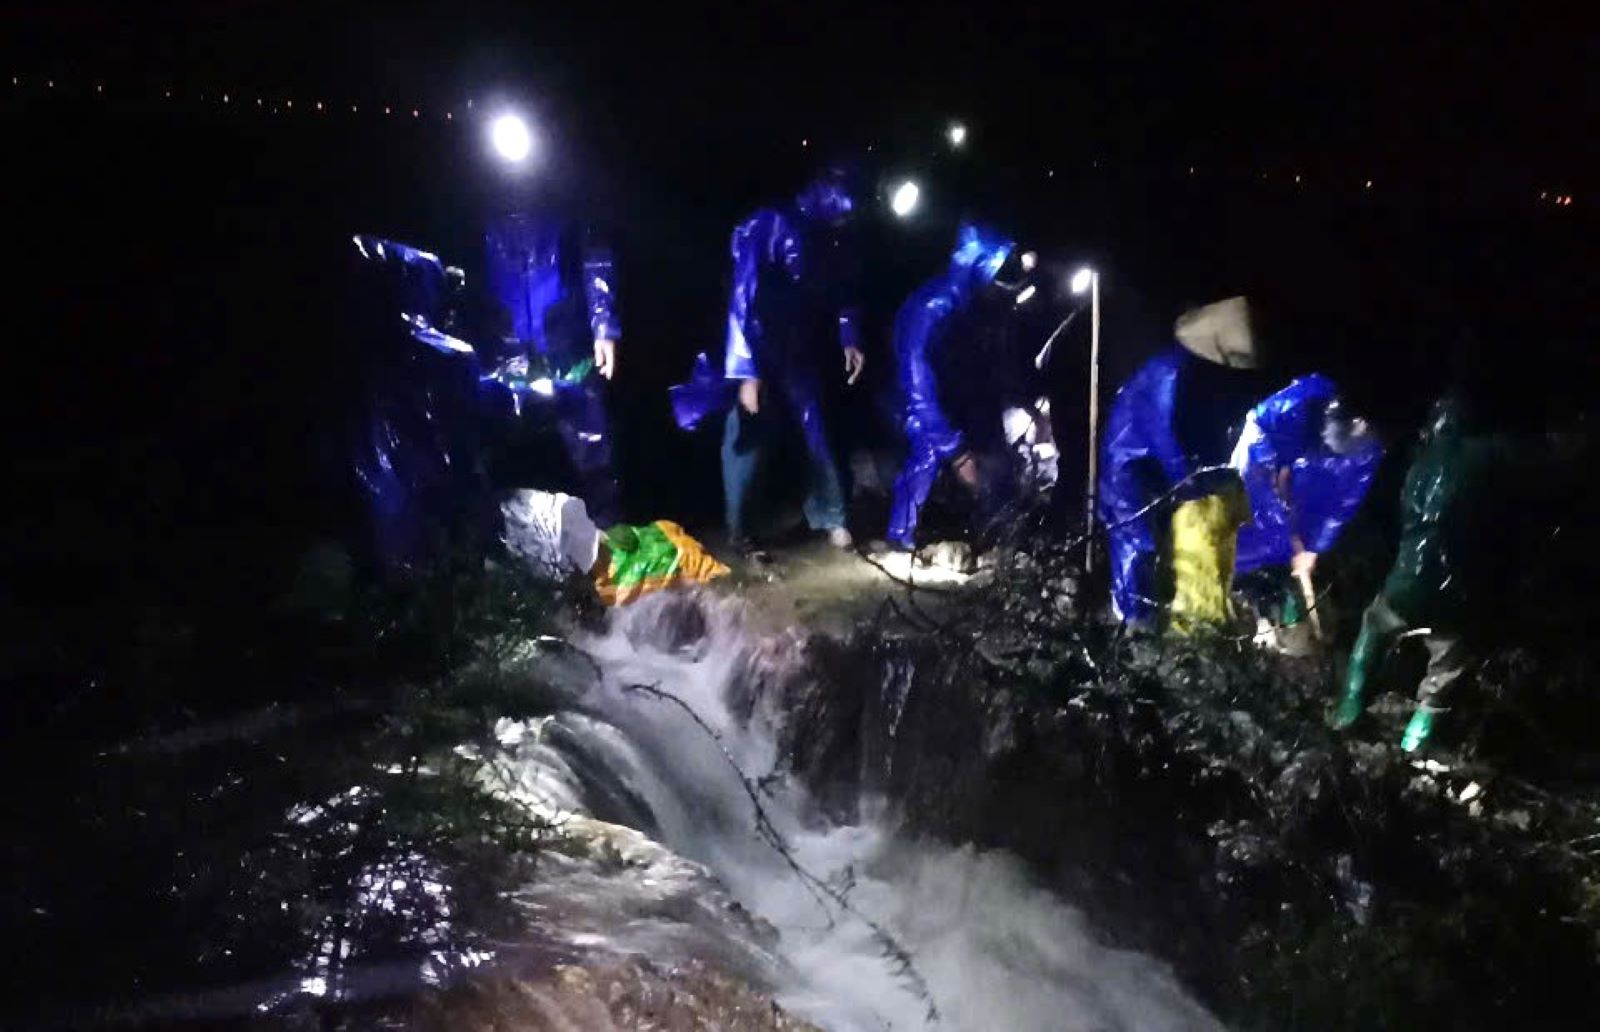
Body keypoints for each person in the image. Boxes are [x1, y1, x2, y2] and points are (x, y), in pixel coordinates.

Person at [1332, 397, 1505, 752]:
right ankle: (1416, 739)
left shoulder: (1419, 463)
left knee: (1374, 626)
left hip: (1405, 582)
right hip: (1450, 595)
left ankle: (1349, 706)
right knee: (1448, 662)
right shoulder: (1486, 456)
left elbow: (1401, 517)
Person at [1098, 296, 1271, 628]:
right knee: (1138, 538)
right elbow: (1164, 434)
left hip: (1165, 464)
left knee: (1170, 539)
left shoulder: (1201, 371)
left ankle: (1165, 603)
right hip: (1132, 460)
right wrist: (1189, 484)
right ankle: (1135, 622)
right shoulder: (1169, 373)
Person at [720, 163, 867, 552]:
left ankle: (830, 515)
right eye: (842, 197)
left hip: (798, 348)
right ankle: (740, 529)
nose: (848, 209)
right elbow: (742, 296)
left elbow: (842, 289)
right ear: (822, 188)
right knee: (748, 435)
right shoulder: (768, 223)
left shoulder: (832, 236)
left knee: (815, 426)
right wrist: (746, 371)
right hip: (759, 345)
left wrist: (849, 337)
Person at [885, 223, 1044, 550]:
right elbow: (917, 386)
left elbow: (1001, 365)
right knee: (928, 449)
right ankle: (901, 535)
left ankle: (1000, 532)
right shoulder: (932, 309)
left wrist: (1028, 405)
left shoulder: (985, 308)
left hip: (963, 393)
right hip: (913, 399)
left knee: (997, 452)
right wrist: (956, 454)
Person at [482, 215, 624, 523]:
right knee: (501, 445)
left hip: (566, 343)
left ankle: (606, 529)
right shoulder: (483, 207)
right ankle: (501, 535)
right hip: (509, 348)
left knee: (590, 441)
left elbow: (596, 259)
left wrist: (604, 329)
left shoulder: (563, 201)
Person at [1231, 374, 1383, 631]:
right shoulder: (1296, 409)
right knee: (1256, 521)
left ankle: (1280, 590)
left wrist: (1312, 549)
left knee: (1304, 531)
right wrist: (1286, 526)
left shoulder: (1368, 449)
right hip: (1265, 442)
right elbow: (1279, 474)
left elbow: (1342, 505)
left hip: (1311, 456)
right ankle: (1234, 575)